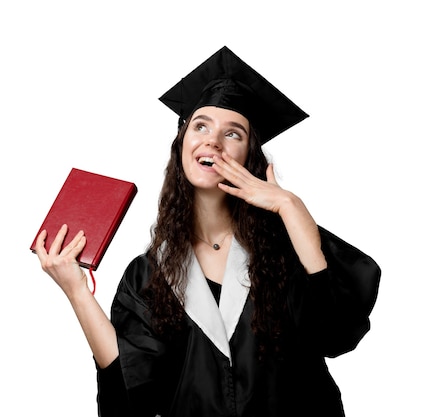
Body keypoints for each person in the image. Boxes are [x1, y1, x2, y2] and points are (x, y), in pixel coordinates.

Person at [34, 45, 381, 417]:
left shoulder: (288, 242)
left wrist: (290, 206)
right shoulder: (151, 273)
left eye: (233, 133)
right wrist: (75, 290)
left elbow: (338, 333)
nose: (212, 140)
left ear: (250, 155)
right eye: (200, 125)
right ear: (182, 143)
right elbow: (132, 392)